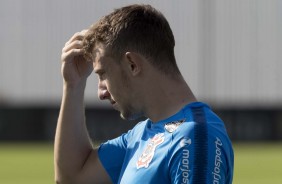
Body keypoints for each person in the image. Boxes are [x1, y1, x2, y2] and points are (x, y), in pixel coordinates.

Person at [54, 4, 234, 184]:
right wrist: (73, 85)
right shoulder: (141, 135)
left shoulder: (194, 138)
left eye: (103, 74)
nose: (101, 93)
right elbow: (72, 178)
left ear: (132, 64)